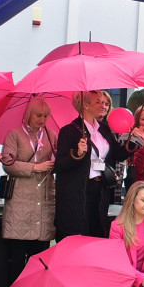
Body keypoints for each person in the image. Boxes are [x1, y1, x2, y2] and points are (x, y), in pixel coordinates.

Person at [54, 90, 129, 239]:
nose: (104, 106)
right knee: (79, 234)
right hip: (78, 192)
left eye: (105, 103)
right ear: (85, 105)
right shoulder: (69, 131)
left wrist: (134, 140)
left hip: (100, 189)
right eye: (98, 102)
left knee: (97, 232)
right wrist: (77, 155)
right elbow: (59, 165)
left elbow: (118, 154)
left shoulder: (104, 129)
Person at [0, 96, 57, 284]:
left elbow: (61, 161)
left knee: (40, 255)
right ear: (29, 114)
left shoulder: (51, 135)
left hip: (44, 198)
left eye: (46, 116)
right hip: (20, 199)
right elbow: (7, 164)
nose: (42, 120)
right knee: (17, 254)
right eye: (38, 115)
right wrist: (34, 168)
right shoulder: (14, 134)